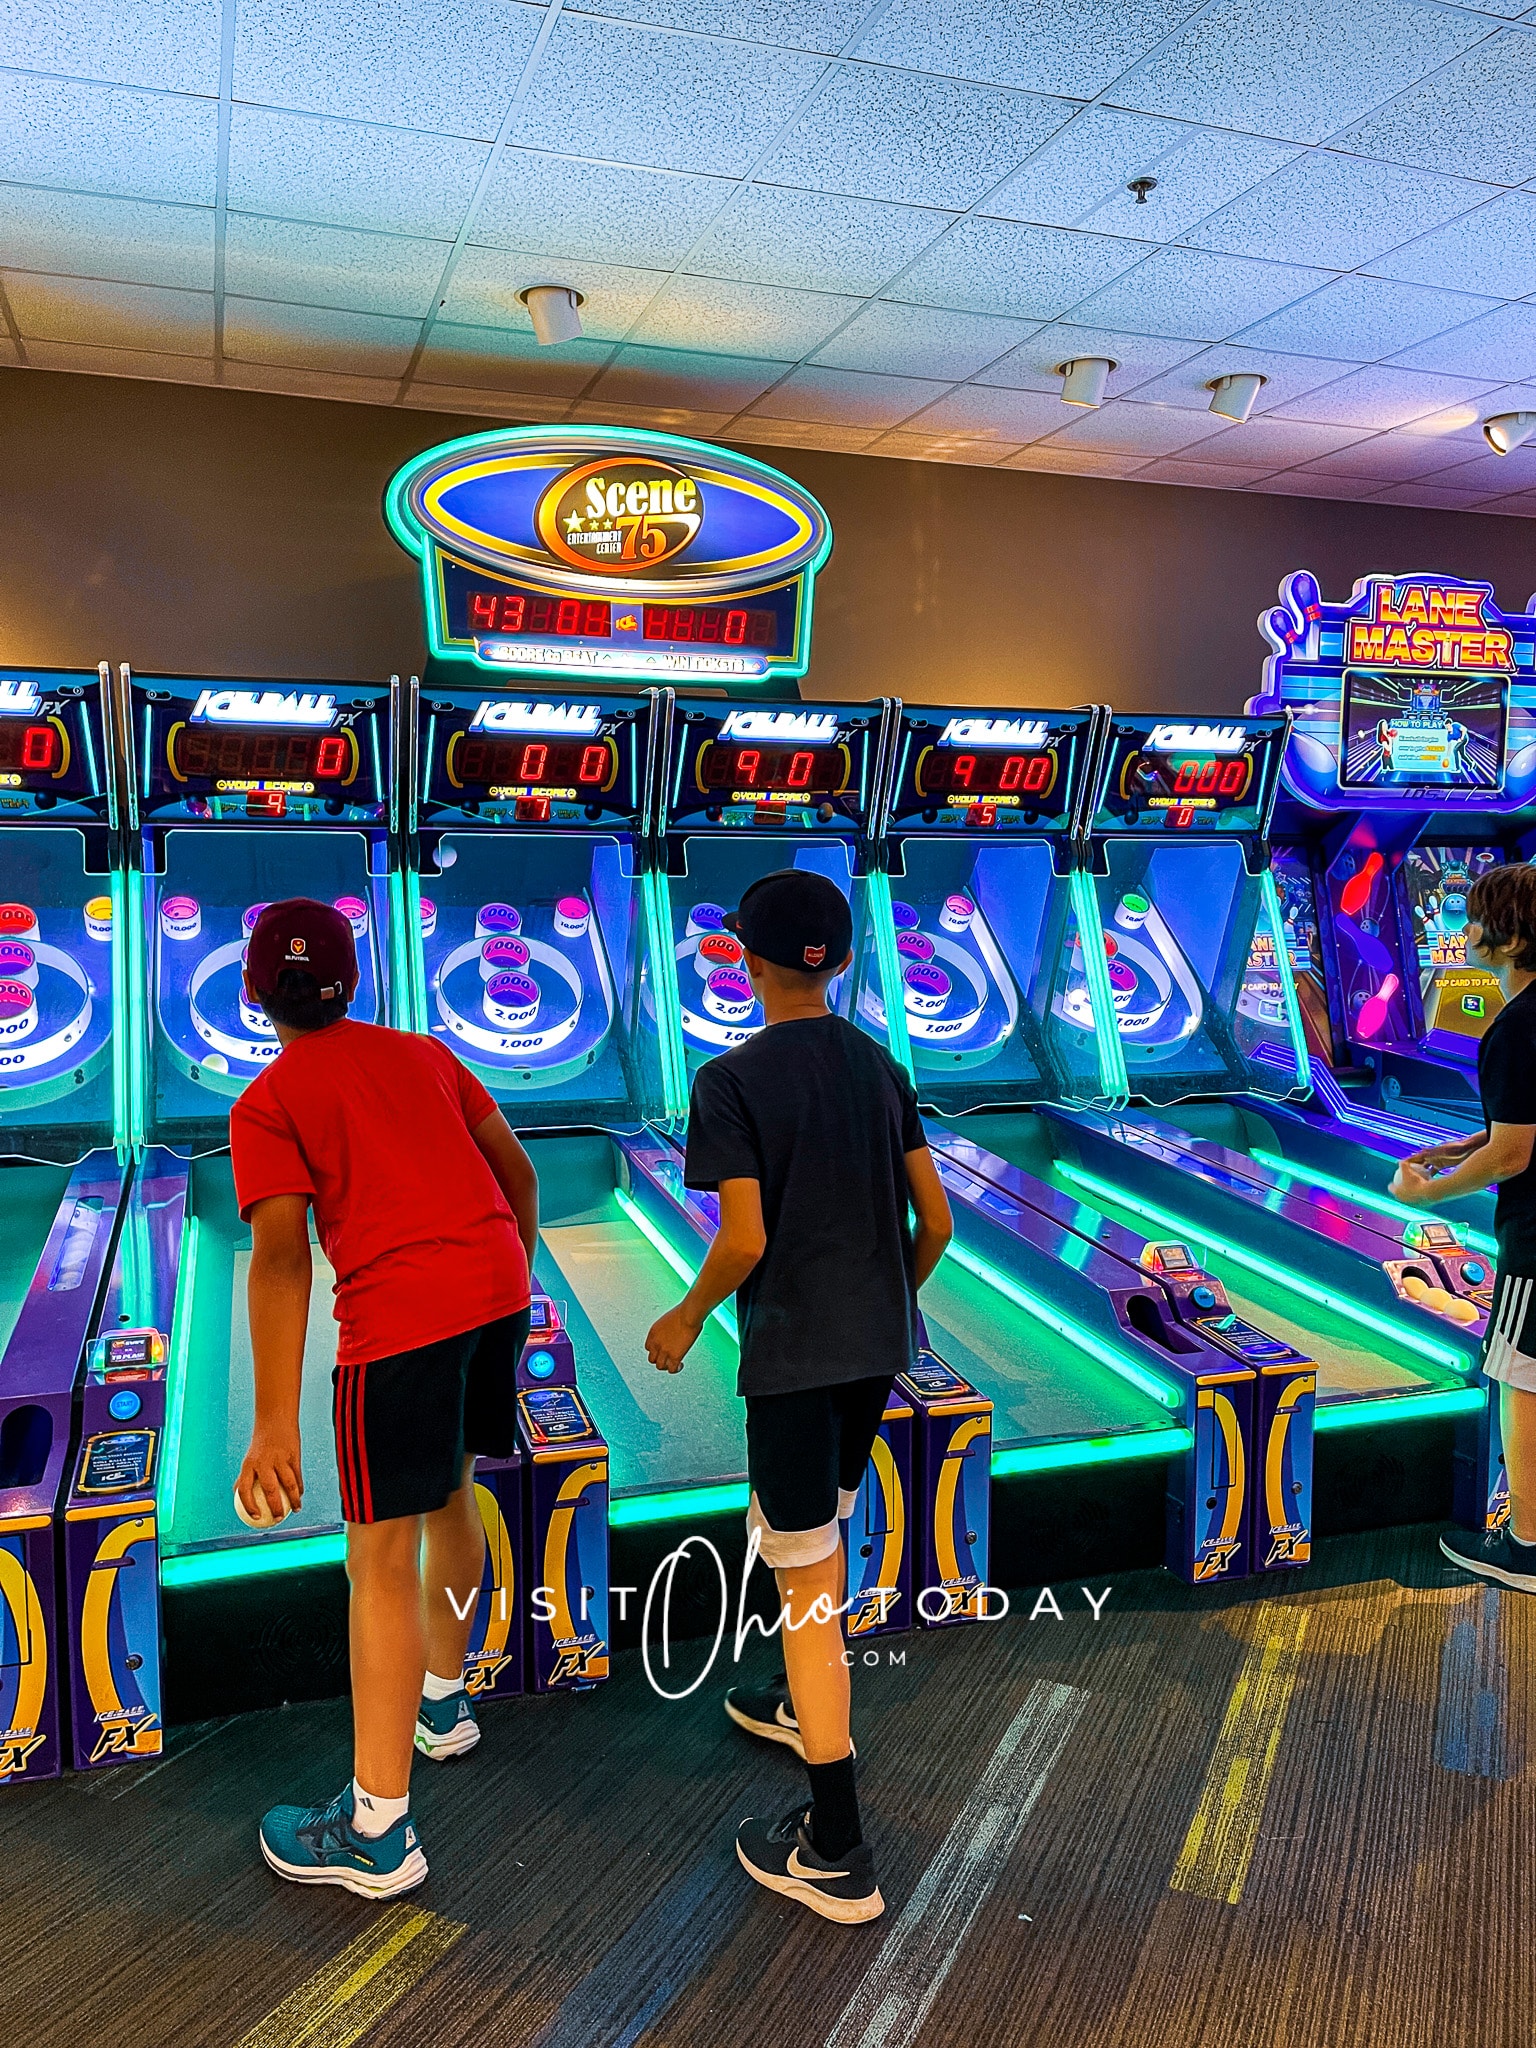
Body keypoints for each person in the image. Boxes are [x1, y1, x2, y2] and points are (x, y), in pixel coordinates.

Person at [644, 869, 953, 1925]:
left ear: (744, 957)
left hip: (791, 1359)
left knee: (807, 1578)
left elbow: (743, 1237)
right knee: (816, 1530)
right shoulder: (881, 1064)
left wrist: (685, 1317)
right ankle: (792, 1698)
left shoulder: (729, 1079)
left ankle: (836, 1842)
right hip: (875, 1348)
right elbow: (938, 1226)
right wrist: (880, 1300)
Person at [229, 898, 539, 1897]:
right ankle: (443, 1706)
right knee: (450, 1490)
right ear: (355, 979)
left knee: (377, 1563)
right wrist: (503, 1279)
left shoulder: (269, 1099)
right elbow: (518, 1172)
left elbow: (281, 1258)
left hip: (397, 1324)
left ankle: (375, 1828)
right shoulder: (430, 1052)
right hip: (495, 1291)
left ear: (250, 993)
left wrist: (274, 1420)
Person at [1391, 862, 1536, 1590]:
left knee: (1524, 1378)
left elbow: (1516, 1153)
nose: (1464, 931)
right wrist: (1470, 1144)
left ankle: (1527, 1547)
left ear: (1508, 939)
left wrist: (1429, 1193)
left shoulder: (1514, 1029)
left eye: (1473, 919)